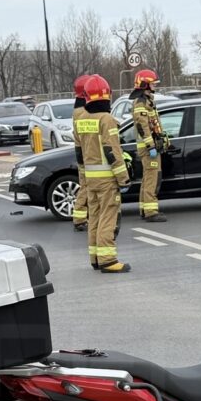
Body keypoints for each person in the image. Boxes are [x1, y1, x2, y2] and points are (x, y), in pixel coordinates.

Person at [77, 74, 130, 273]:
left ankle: (95, 258)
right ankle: (108, 260)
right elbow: (112, 150)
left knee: (95, 218)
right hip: (107, 179)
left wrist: (83, 177)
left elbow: (78, 152)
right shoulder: (106, 119)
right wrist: (123, 178)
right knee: (108, 217)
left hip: (90, 179)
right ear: (107, 95)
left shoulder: (81, 119)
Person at [130, 68, 168, 223]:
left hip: (151, 145)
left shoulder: (147, 100)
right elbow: (142, 126)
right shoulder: (141, 102)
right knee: (152, 178)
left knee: (148, 178)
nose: (155, 86)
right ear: (145, 84)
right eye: (153, 83)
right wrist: (151, 146)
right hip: (148, 147)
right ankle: (151, 212)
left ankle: (144, 209)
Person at [71, 74, 90, 232]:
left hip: (82, 152)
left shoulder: (78, 110)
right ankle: (79, 218)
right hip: (85, 153)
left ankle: (81, 216)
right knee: (86, 185)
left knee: (86, 184)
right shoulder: (82, 112)